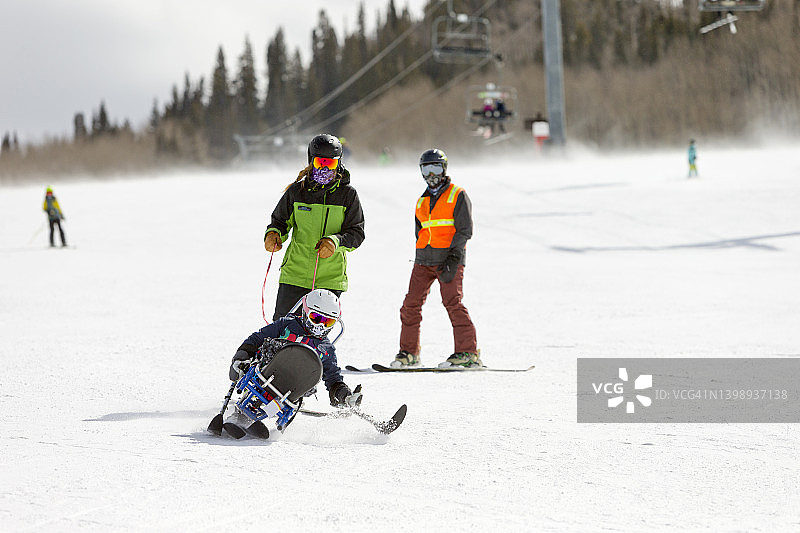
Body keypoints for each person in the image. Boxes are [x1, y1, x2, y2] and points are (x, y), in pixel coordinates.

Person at [227, 289, 362, 432]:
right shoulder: (287, 325)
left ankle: (261, 418)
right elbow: (257, 338)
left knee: (285, 402)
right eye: (316, 318)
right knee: (262, 386)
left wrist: (344, 395)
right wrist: (242, 356)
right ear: (305, 311)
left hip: (294, 388)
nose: (320, 326)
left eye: (328, 322)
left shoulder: (326, 349)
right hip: (268, 372)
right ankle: (241, 416)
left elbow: (333, 378)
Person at [393, 148, 481, 369]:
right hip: (424, 260)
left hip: (449, 259)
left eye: (436, 168)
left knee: (453, 303)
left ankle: (467, 352)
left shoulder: (457, 194)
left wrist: (454, 256)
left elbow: (465, 230)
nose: (431, 174)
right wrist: (421, 253)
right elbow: (419, 231)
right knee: (410, 305)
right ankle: (409, 353)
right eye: (426, 168)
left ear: (444, 169)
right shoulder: (422, 200)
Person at [263, 134, 365, 320]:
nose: (325, 168)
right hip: (294, 275)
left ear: (339, 163)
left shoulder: (348, 195)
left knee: (315, 333)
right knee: (282, 329)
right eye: (321, 162)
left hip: (330, 278)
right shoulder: (296, 192)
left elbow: (356, 233)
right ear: (311, 161)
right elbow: (279, 222)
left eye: (331, 163)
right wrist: (273, 235)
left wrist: (334, 242)